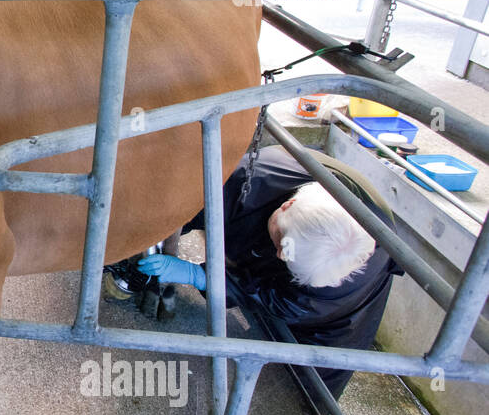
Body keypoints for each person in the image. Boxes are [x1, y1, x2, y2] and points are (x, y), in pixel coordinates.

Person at [136, 147, 403, 397]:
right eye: (280, 243)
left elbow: (279, 299)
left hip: (335, 318)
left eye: (286, 257)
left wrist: (201, 277)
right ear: (287, 206)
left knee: (309, 387)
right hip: (270, 203)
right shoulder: (248, 176)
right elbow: (187, 203)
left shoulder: (342, 276)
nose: (278, 254)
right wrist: (154, 237)